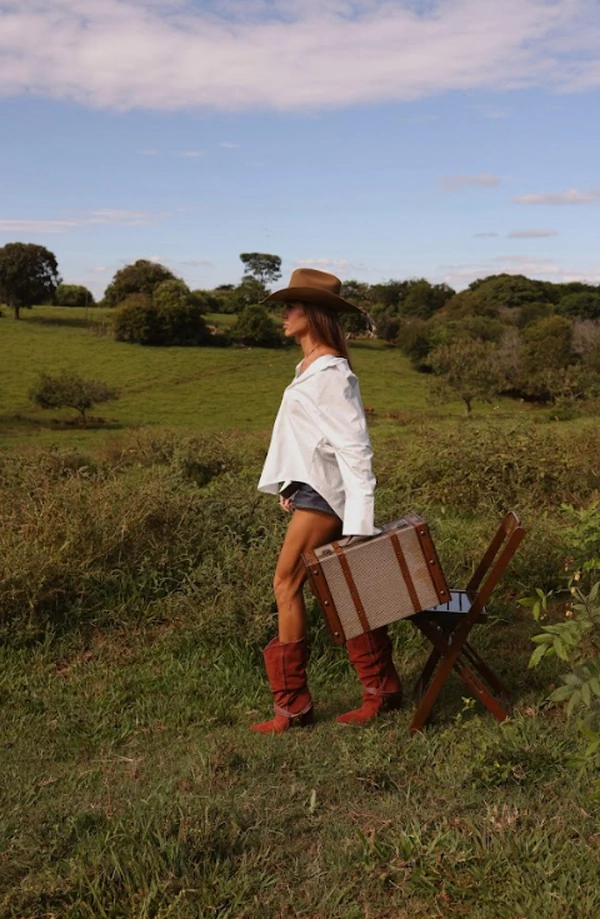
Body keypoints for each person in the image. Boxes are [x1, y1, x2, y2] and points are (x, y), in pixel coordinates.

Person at [251, 268, 402, 734]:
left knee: (285, 585)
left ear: (314, 314)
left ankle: (292, 708)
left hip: (329, 501)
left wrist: (360, 521)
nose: (285, 314)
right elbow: (312, 440)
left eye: (293, 306)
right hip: (315, 493)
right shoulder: (309, 368)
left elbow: (355, 449)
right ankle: (383, 688)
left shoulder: (330, 373)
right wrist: (292, 484)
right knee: (346, 589)